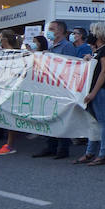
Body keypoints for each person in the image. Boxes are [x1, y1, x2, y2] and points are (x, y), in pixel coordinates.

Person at [33, 22, 79, 159]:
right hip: (51, 86)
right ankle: (51, 145)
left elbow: (70, 65)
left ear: (60, 31)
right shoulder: (52, 47)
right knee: (50, 116)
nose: (49, 32)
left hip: (62, 87)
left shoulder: (67, 46)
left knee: (61, 117)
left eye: (52, 29)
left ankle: (63, 147)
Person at [74, 22, 105, 165]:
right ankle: (90, 152)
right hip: (95, 89)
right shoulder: (99, 50)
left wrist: (93, 92)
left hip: (101, 89)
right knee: (93, 122)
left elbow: (104, 72)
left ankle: (103, 153)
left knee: (102, 121)